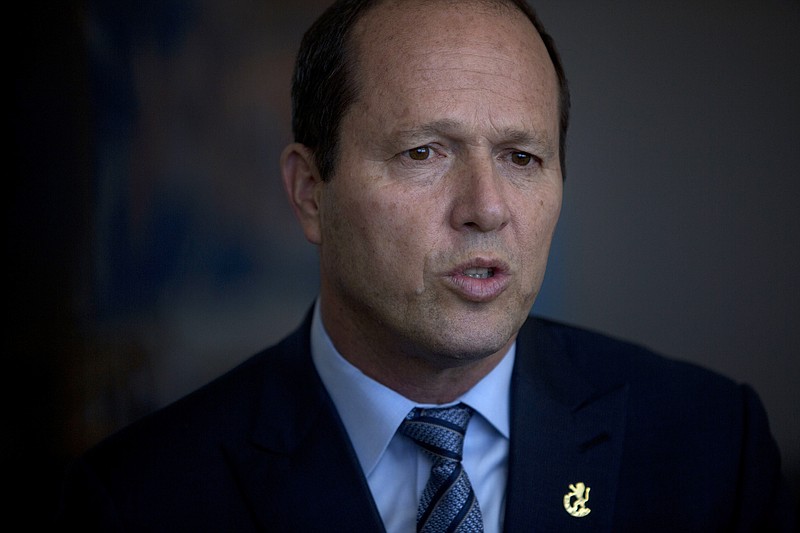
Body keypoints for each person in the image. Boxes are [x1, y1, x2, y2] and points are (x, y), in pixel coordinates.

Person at [57, 0, 795, 531]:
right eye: (423, 153)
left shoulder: (711, 446)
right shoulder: (138, 499)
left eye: (522, 157)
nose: (486, 207)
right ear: (310, 193)